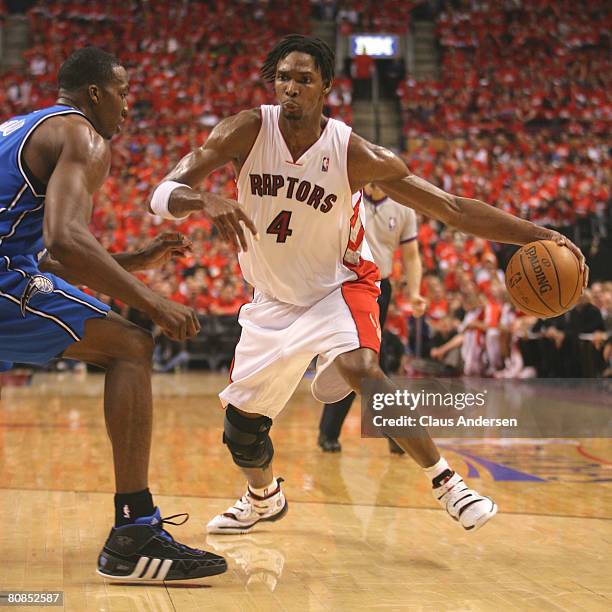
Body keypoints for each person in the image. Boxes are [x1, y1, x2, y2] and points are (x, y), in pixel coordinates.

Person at [148, 35, 586, 535]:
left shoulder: (353, 153)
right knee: (242, 433)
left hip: (340, 284)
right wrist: (203, 201)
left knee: (362, 365)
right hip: (270, 300)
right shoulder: (246, 131)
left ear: (326, 88)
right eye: (283, 78)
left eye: (303, 79)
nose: (290, 88)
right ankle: (263, 497)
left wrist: (540, 233)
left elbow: (452, 209)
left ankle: (447, 483)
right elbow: (162, 193)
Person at [0, 47, 253, 581]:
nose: (128, 106)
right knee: (131, 345)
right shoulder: (82, 135)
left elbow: (42, 255)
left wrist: (133, 261)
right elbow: (65, 242)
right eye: (123, 92)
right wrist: (153, 300)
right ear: (95, 93)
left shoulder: (20, 127)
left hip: (12, 267)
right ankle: (134, 533)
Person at [317, 181, 426, 453]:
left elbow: (411, 256)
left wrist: (414, 293)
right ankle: (396, 434)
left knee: (363, 359)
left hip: (381, 288)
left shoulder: (403, 209)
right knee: (359, 358)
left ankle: (330, 433)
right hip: (347, 284)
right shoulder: (348, 196)